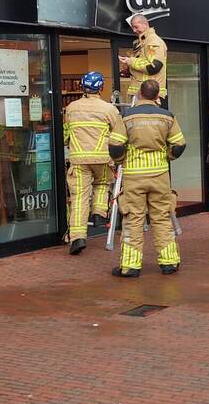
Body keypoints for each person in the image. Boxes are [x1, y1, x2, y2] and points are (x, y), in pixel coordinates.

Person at [114, 79, 186, 277]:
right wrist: (167, 156)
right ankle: (169, 262)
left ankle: (130, 266)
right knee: (162, 217)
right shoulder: (167, 117)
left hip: (134, 175)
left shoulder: (127, 116)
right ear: (157, 96)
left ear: (139, 93)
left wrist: (122, 159)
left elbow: (116, 146)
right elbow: (179, 145)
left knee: (133, 219)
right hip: (160, 175)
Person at [63, 71, 127, 255]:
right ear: (101, 87)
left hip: (78, 159)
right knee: (102, 184)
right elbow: (119, 133)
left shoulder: (71, 107)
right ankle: (99, 213)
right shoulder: (108, 109)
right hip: (102, 157)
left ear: (82, 87)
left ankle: (77, 238)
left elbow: (67, 132)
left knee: (79, 198)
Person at [119, 14, 168, 105]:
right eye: (133, 28)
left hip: (149, 93)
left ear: (145, 24)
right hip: (143, 93)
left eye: (136, 27)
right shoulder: (143, 42)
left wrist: (131, 61)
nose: (134, 30)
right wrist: (129, 68)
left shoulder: (153, 41)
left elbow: (153, 66)